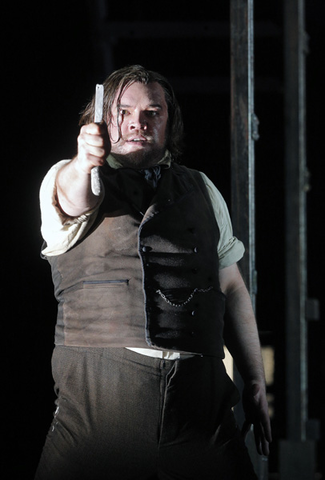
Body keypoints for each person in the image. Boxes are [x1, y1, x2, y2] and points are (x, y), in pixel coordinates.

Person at [35, 65, 272, 480]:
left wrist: (254, 380)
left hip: (199, 408)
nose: (137, 123)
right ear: (102, 117)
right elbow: (74, 199)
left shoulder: (201, 187)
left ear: (169, 121)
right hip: (101, 404)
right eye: (122, 111)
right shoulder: (71, 176)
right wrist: (84, 160)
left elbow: (231, 286)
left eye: (152, 112)